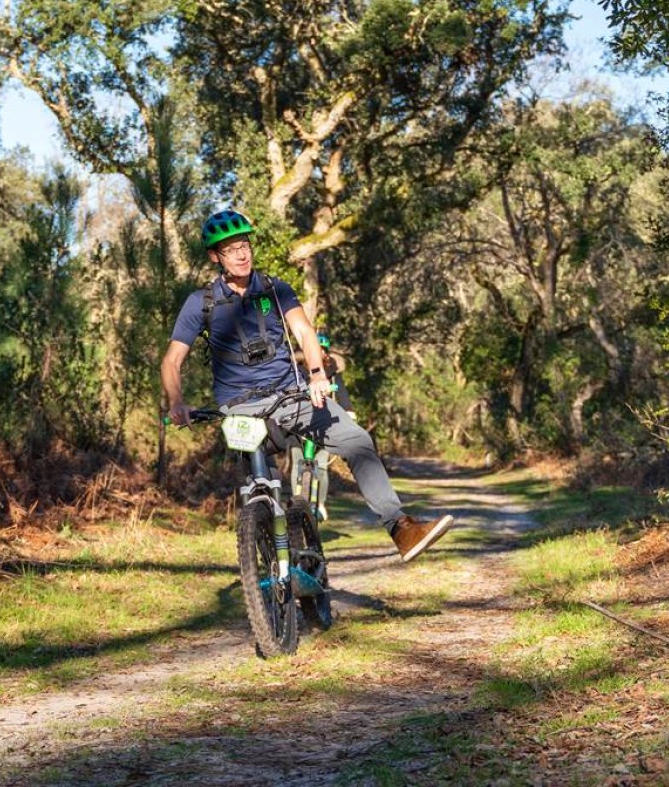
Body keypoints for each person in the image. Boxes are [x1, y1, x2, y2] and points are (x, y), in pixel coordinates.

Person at [161, 209, 453, 562]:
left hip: (292, 397)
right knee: (260, 487)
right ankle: (271, 569)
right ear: (215, 257)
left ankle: (400, 528)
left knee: (357, 440)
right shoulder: (201, 302)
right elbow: (172, 361)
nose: (241, 254)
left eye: (244, 245)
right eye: (230, 249)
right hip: (240, 409)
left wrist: (316, 374)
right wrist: (177, 402)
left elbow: (303, 332)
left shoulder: (275, 289)